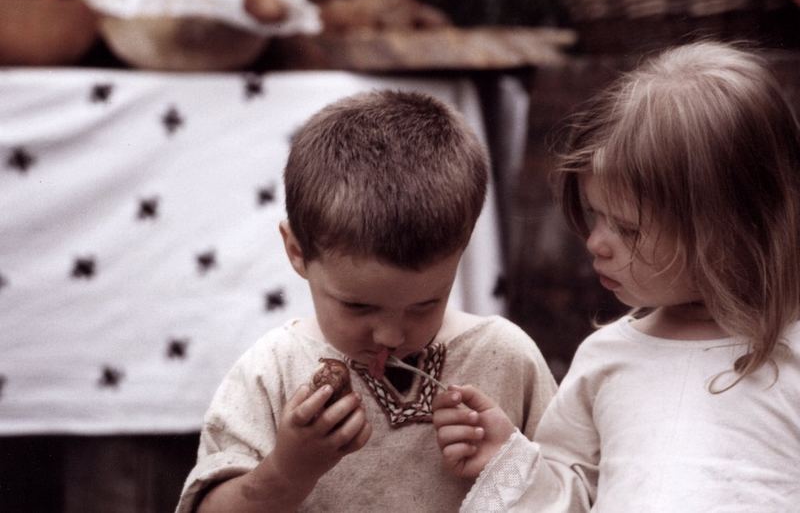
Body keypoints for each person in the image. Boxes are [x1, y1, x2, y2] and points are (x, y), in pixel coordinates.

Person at [432, 41, 800, 511]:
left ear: (728, 229)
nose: (595, 243)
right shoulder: (607, 358)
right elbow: (574, 498)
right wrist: (507, 461)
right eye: (594, 214)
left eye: (627, 228)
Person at [175, 89, 557, 512]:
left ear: (462, 251)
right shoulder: (273, 373)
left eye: (424, 305)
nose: (391, 335)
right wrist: (289, 470)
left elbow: (577, 496)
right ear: (297, 252)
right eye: (359, 307)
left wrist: (510, 465)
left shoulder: (506, 359)